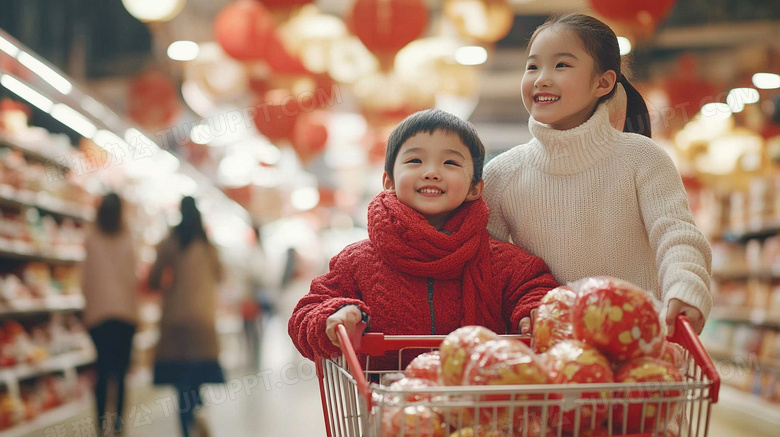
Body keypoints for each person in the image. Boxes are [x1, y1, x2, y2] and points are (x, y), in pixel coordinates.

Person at [483, 13, 712, 337]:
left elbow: (675, 234)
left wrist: (685, 287)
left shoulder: (643, 158)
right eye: (533, 66)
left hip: (638, 348)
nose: (541, 79)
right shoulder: (502, 175)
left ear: (602, 82)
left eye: (561, 65)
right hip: (550, 357)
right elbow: (486, 266)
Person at [288, 109, 559, 367]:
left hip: (480, 407)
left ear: (475, 187)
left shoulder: (503, 263)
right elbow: (305, 314)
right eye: (415, 160)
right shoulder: (356, 262)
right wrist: (335, 315)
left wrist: (535, 312)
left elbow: (535, 289)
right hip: (388, 408)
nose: (431, 172)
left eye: (450, 162)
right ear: (389, 181)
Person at [148, 196, 224, 437]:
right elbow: (221, 275)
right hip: (202, 320)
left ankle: (186, 428)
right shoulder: (208, 245)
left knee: (181, 379)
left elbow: (154, 277)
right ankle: (198, 414)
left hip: (176, 319)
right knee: (197, 375)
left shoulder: (171, 242)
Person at [81, 192, 138, 435]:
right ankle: (118, 426)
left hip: (98, 315)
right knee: (121, 374)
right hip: (125, 314)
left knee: (103, 371)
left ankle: (101, 425)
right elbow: (132, 277)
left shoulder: (91, 238)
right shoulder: (127, 237)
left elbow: (86, 279)